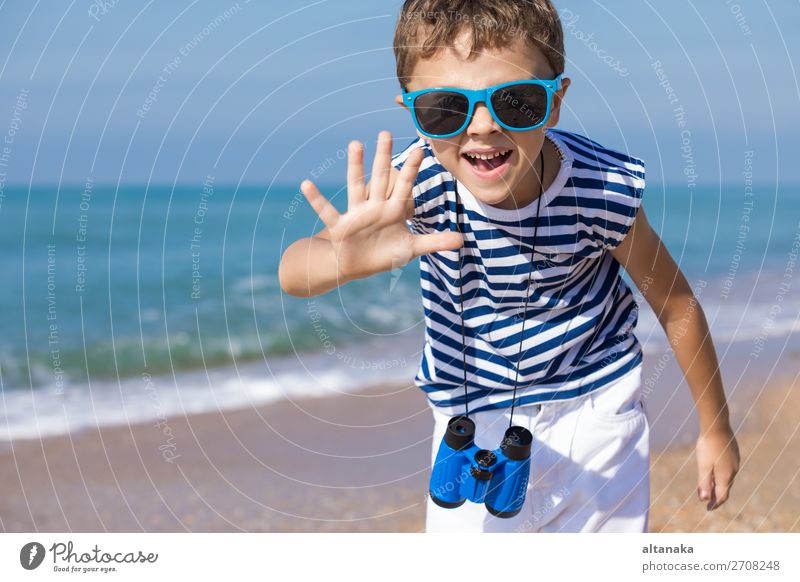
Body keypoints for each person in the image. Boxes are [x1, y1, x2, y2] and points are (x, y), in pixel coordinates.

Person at [278, 0, 739, 532]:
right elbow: (294, 272)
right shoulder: (416, 182)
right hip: (469, 417)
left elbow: (676, 303)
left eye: (516, 102)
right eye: (445, 108)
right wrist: (345, 259)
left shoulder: (599, 189)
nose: (481, 127)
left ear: (556, 101)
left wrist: (715, 427)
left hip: (596, 412)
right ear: (411, 108)